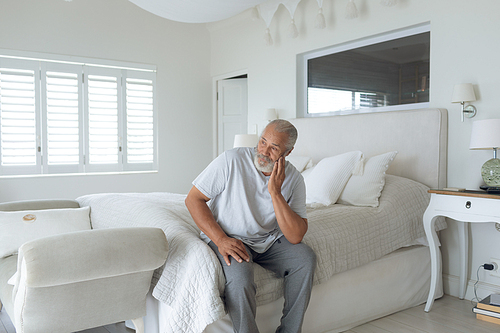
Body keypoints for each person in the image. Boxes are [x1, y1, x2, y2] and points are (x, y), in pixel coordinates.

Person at [185, 119, 316, 333]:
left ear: (288, 152)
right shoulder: (232, 159)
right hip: (229, 236)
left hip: (268, 240)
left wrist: (275, 192)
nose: (264, 151)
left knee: (305, 258)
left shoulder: (294, 179)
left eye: (274, 148)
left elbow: (295, 237)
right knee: (241, 280)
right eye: (263, 142)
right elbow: (193, 199)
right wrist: (220, 240)